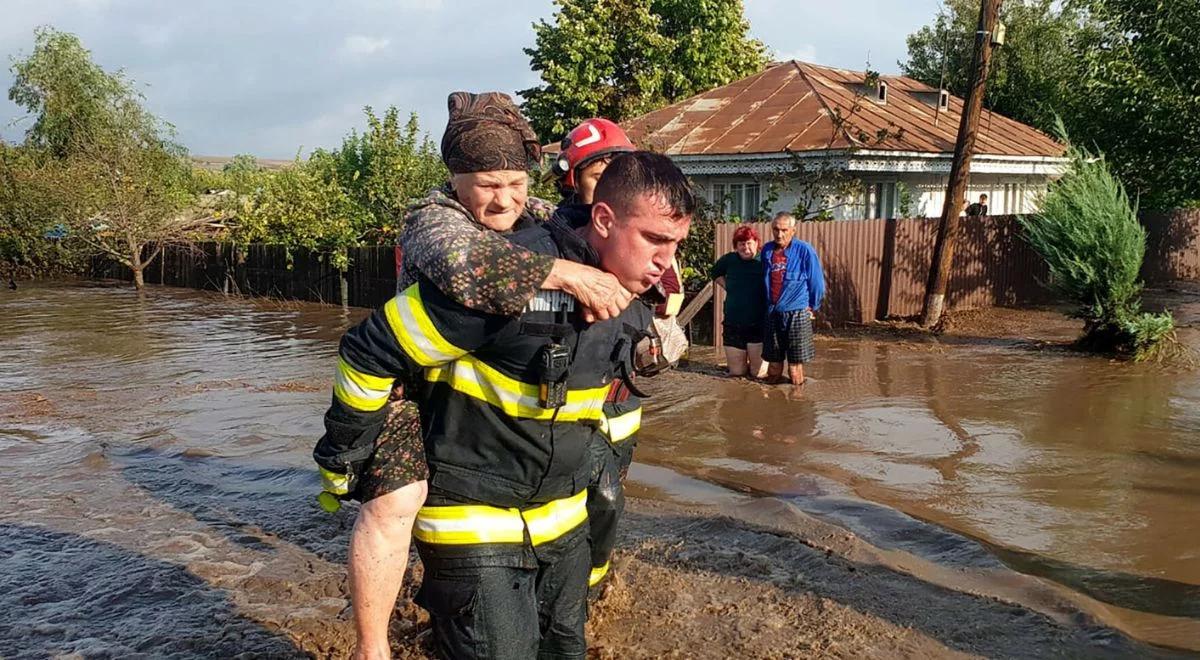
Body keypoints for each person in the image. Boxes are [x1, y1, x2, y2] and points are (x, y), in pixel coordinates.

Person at [316, 151, 695, 658]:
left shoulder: (631, 285)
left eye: (675, 244)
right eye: (655, 240)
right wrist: (346, 454)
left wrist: (651, 350)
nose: (666, 263)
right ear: (604, 219)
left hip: (561, 521)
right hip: (473, 522)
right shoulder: (507, 279)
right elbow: (369, 350)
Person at [761, 212, 825, 386]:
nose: (779, 234)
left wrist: (812, 307)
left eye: (784, 230)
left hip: (797, 313)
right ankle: (772, 404)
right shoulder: (767, 250)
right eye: (775, 229)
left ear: (793, 231)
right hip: (773, 313)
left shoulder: (805, 250)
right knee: (773, 365)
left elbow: (817, 283)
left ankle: (797, 405)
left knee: (795, 368)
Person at [711, 224, 767, 378]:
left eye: (749, 242)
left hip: (759, 324)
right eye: (741, 244)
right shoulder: (729, 260)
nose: (745, 247)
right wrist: (728, 286)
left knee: (759, 374)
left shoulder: (764, 260)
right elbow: (715, 273)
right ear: (736, 246)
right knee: (737, 373)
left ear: (756, 243)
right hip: (733, 323)